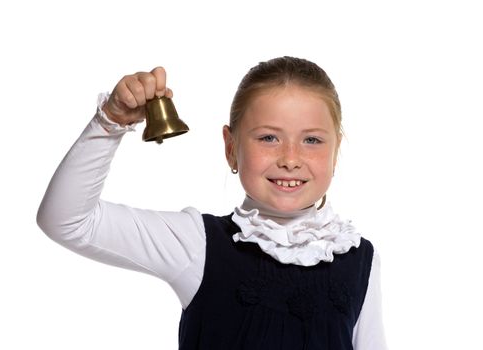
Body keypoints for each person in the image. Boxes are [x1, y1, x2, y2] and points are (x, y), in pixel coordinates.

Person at [37, 56, 387, 349]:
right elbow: (67, 220)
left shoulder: (360, 260)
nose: (290, 159)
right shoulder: (199, 244)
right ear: (231, 147)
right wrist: (110, 121)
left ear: (336, 150)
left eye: (311, 140)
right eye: (268, 137)